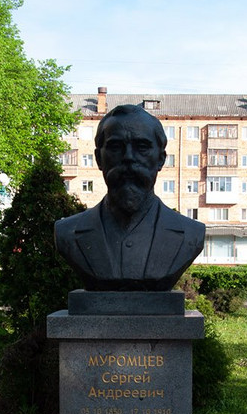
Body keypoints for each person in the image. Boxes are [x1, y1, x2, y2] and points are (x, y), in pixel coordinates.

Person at [55, 104, 205, 291]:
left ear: (161, 159)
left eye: (142, 147)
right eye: (115, 147)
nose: (128, 158)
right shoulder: (67, 232)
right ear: (99, 159)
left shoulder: (191, 233)